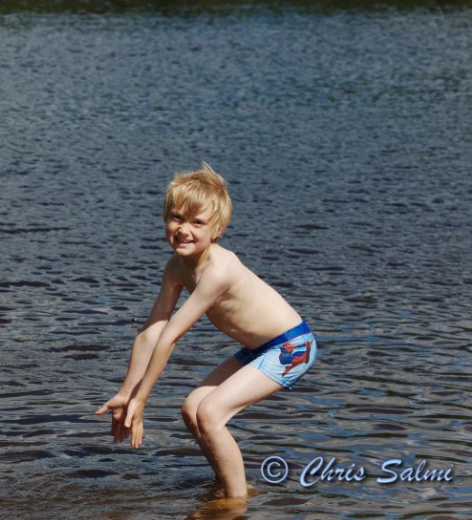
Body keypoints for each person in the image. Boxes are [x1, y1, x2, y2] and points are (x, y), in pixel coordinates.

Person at [96, 164, 317, 498]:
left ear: (217, 229)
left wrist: (142, 401)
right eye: (176, 218)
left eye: (197, 223)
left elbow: (171, 336)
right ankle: (231, 486)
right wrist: (127, 392)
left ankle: (236, 502)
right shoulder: (176, 267)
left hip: (292, 348)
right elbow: (152, 331)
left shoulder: (219, 270)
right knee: (192, 409)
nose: (184, 230)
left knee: (210, 412)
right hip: (258, 349)